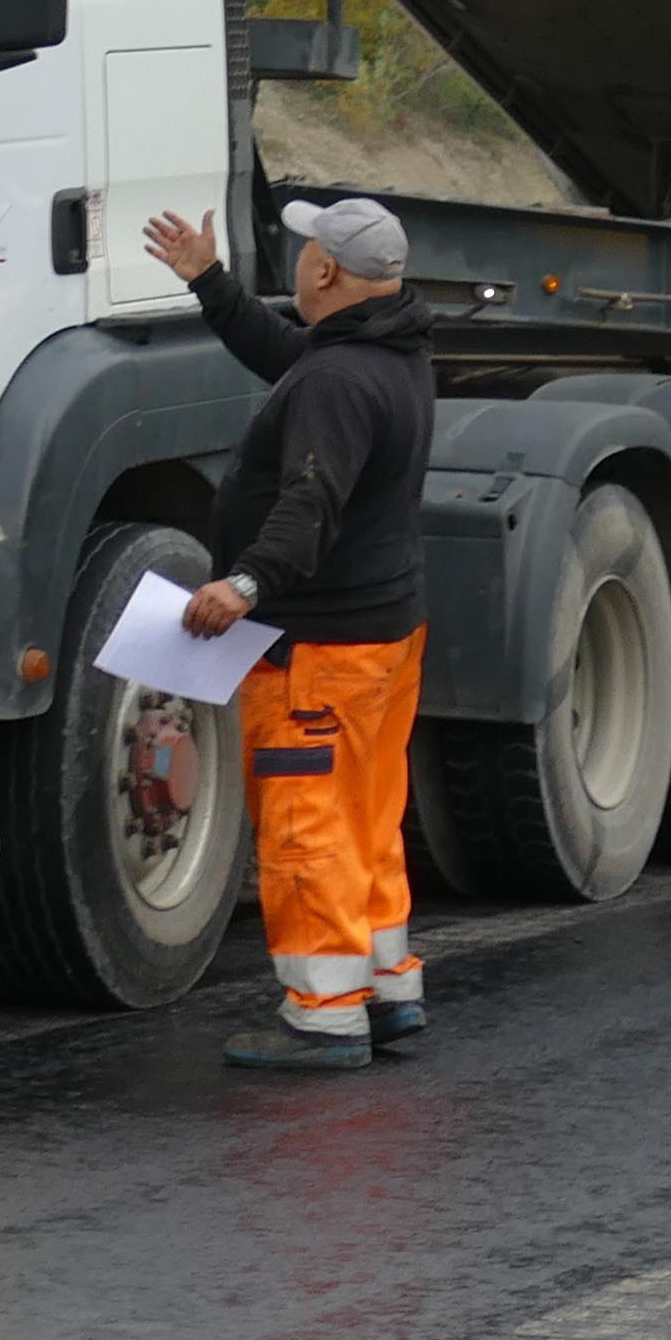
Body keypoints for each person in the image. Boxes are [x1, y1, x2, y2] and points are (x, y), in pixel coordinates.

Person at [143, 193, 437, 1074]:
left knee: (307, 824)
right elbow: (285, 353)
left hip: (318, 651)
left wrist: (244, 582)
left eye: (305, 250)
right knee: (366, 818)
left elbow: (311, 500)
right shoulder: (389, 348)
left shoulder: (339, 381)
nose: (298, 259)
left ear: (325, 272)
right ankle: (386, 991)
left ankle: (323, 1014)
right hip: (382, 638)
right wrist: (209, 281)